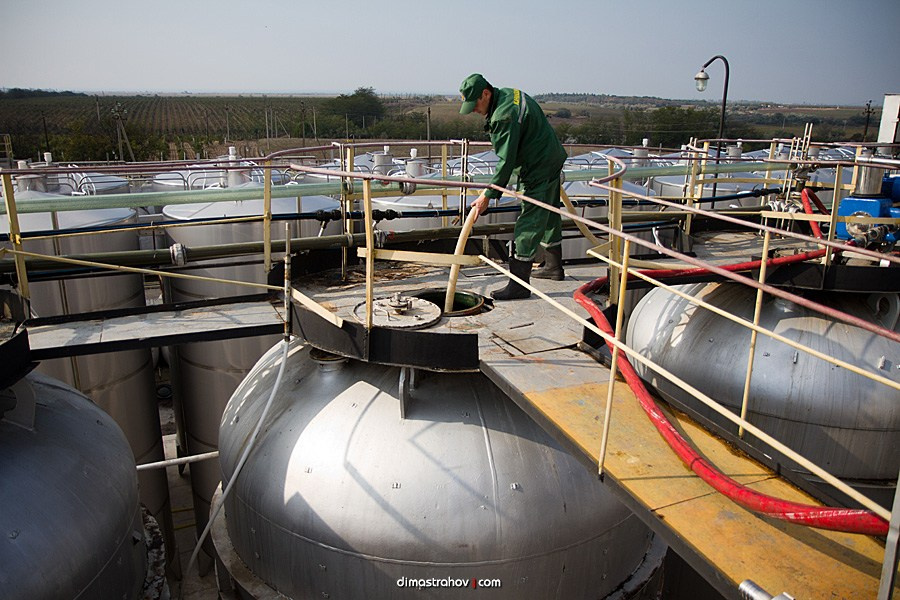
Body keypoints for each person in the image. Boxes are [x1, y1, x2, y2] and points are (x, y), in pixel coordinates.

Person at [460, 73, 567, 300]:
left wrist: (487, 194)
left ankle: (518, 285)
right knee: (549, 213)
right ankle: (553, 267)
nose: (474, 111)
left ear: (486, 94)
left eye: (475, 105)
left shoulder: (503, 116)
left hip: (538, 166)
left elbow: (506, 160)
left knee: (530, 220)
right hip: (550, 157)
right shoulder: (509, 94)